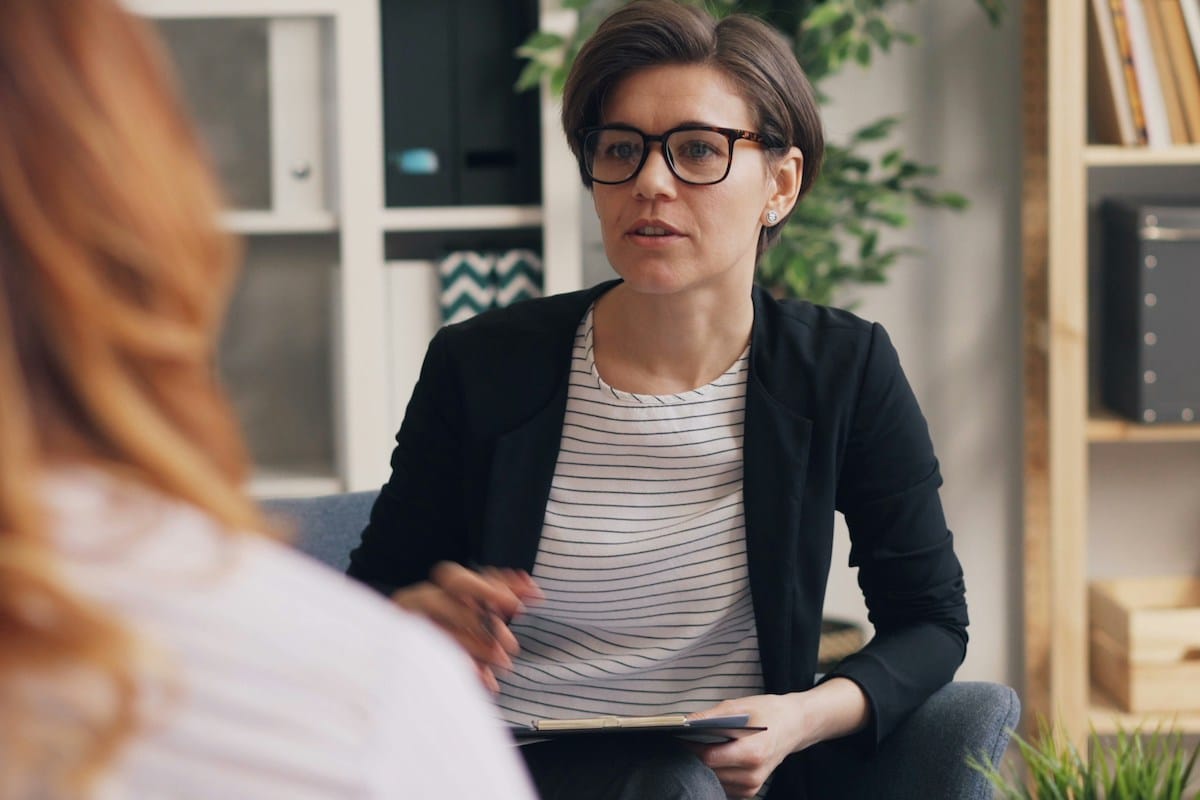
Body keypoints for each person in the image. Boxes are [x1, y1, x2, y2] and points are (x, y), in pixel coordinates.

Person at [348, 1, 969, 798]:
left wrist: (800, 717)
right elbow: (370, 598)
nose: (649, 181)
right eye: (620, 149)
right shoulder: (481, 363)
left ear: (781, 183)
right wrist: (419, 610)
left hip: (717, 778)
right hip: (496, 769)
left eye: (698, 151)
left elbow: (930, 621)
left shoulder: (842, 369)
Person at [0, 1, 537, 798]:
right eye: (616, 150)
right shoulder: (357, 695)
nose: (651, 186)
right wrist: (404, 628)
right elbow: (382, 585)